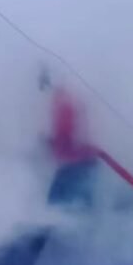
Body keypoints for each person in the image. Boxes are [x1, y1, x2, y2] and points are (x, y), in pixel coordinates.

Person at [39, 68, 98, 208]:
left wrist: (51, 142)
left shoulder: (64, 101)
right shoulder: (64, 98)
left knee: (55, 201)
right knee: (83, 202)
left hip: (76, 162)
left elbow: (69, 134)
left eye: (44, 81)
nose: (42, 86)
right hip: (81, 161)